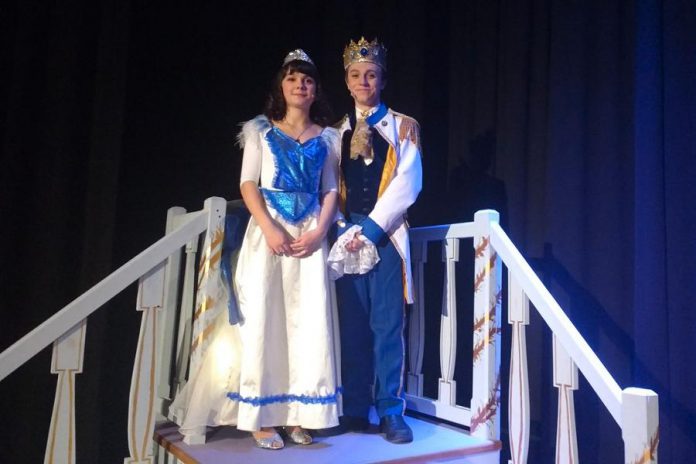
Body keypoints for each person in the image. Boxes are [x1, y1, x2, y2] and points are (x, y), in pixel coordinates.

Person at [172, 48, 342, 450]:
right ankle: (260, 417)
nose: (300, 85)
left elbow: (331, 188)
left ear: (316, 90)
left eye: (307, 80)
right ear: (281, 87)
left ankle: (298, 412)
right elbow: (248, 183)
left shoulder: (328, 137)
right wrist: (268, 227)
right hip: (270, 235)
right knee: (265, 320)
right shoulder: (261, 131)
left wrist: (319, 232)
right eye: (292, 79)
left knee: (307, 322)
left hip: (309, 234)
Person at [330, 37, 422, 444]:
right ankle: (353, 407)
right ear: (347, 82)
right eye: (356, 75)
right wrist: (340, 227)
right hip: (345, 235)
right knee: (352, 326)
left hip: (383, 236)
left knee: (387, 325)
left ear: (381, 79)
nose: (364, 81)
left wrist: (369, 230)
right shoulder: (337, 133)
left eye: (371, 74)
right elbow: (327, 186)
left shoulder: (403, 127)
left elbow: (408, 183)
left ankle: (390, 410)